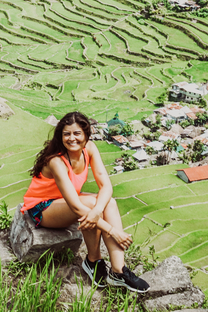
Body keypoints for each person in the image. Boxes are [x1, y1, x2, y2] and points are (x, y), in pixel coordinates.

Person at [20, 111, 150, 293]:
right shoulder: (57, 161)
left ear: (86, 134)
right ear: (60, 136)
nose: (72, 138)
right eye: (66, 134)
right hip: (43, 208)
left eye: (77, 133)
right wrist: (113, 231)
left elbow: (106, 185)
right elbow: (75, 206)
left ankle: (118, 271)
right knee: (90, 206)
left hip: (67, 201)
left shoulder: (89, 148)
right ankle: (93, 261)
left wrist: (98, 209)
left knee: (108, 202)